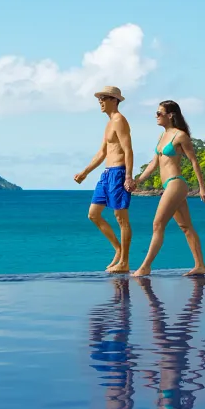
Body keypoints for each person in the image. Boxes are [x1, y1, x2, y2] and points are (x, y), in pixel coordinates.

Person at [131, 99, 205, 275]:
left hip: (176, 183)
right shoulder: (161, 136)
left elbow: (194, 162)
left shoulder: (180, 136)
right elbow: (154, 164)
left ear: (171, 115)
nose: (156, 116)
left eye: (159, 113)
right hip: (168, 186)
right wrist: (137, 181)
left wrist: (202, 188)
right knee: (186, 227)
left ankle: (145, 267)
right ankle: (200, 266)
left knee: (157, 224)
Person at [73, 85, 134, 273]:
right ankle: (118, 249)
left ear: (114, 100)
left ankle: (124, 262)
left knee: (121, 218)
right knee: (93, 214)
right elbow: (102, 153)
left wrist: (128, 176)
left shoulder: (120, 120)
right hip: (107, 174)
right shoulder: (109, 124)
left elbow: (128, 150)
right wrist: (85, 172)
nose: (100, 101)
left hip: (118, 173)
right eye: (99, 98)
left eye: (104, 98)